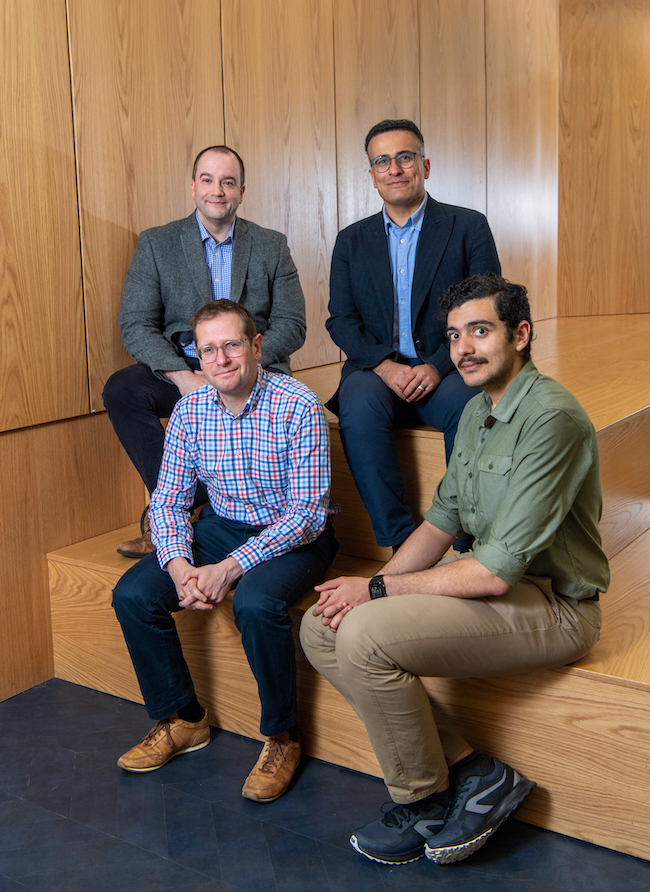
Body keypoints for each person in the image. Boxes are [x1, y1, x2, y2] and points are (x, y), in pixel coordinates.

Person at [301, 273, 608, 865]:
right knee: (324, 624)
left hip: (555, 607)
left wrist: (377, 588)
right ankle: (474, 771)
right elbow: (440, 524)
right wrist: (370, 591)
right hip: (496, 591)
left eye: (480, 330)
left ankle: (423, 799)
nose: (464, 347)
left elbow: (494, 572)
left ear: (520, 335)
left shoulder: (552, 419)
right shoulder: (474, 414)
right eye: (454, 335)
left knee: (364, 631)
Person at [112, 300, 338, 803]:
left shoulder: (297, 404)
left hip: (295, 534)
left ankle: (282, 738)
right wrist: (178, 566)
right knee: (133, 594)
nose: (221, 359)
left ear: (255, 347)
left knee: (256, 604)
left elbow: (306, 514)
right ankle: (183, 720)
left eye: (232, 345)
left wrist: (230, 569)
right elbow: (168, 501)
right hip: (220, 527)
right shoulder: (191, 411)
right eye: (208, 350)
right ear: (197, 357)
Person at [103, 145, 306, 558]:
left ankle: (226, 516)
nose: (218, 190)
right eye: (209, 180)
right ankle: (183, 506)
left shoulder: (271, 245)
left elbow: (292, 324)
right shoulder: (157, 244)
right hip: (183, 368)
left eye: (228, 182)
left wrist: (237, 363)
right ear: (193, 187)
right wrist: (183, 377)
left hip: (251, 368)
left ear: (242, 191)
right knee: (122, 388)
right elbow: (136, 323)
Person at [326, 119, 501, 550]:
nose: (395, 169)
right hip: (378, 370)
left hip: (447, 365)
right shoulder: (351, 241)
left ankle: (466, 543)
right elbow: (341, 320)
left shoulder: (467, 227)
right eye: (382, 161)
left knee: (470, 405)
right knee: (357, 404)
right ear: (371, 174)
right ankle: (401, 544)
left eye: (405, 157)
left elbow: (486, 309)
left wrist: (440, 365)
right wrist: (384, 367)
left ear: (425, 164)